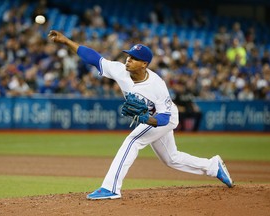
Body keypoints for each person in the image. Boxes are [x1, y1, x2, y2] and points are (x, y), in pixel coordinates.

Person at [48, 30, 234, 200]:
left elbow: (165, 118)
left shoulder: (157, 85)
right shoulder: (121, 71)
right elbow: (94, 58)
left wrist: (147, 120)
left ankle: (111, 188)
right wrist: (66, 41)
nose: (128, 60)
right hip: (153, 120)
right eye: (128, 56)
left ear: (144, 64)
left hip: (164, 119)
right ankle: (212, 166)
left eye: (134, 58)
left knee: (133, 140)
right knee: (171, 159)